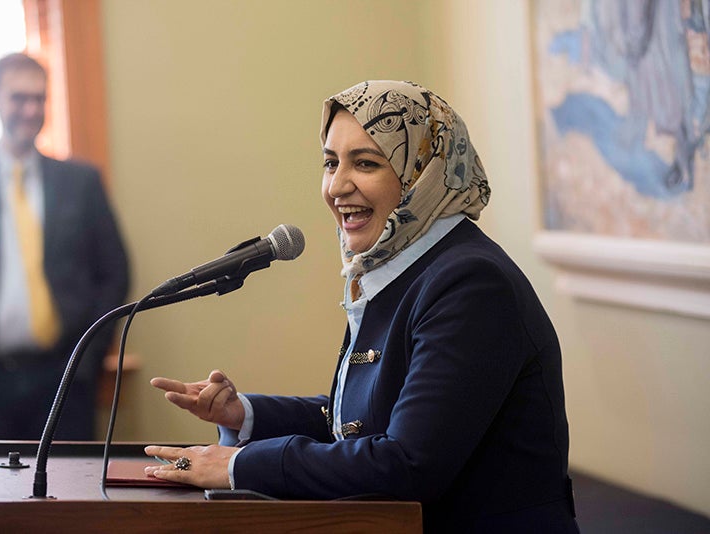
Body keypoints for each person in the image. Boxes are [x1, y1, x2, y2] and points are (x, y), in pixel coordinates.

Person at [142, 80, 579, 533]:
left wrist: (238, 466)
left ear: (422, 171)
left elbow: (407, 463)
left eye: (366, 163)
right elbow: (360, 422)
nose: (337, 186)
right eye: (330, 163)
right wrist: (244, 416)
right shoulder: (397, 266)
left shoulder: (471, 283)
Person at [0, 52, 129, 440]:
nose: (30, 110)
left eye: (39, 99)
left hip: (65, 381)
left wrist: (88, 361)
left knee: (69, 498)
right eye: (19, 98)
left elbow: (115, 274)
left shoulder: (81, 183)